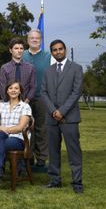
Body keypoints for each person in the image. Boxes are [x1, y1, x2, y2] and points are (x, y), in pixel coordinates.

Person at [41, 39, 83, 194]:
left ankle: (77, 183)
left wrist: (62, 111)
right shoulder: (48, 71)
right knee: (53, 151)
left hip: (69, 118)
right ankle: (54, 180)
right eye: (54, 50)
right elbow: (43, 93)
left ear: (64, 50)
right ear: (52, 52)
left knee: (74, 152)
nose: (58, 52)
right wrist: (53, 111)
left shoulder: (76, 68)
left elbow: (76, 92)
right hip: (51, 118)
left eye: (60, 49)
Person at [0, 80, 32, 193]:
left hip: (19, 139)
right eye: (10, 88)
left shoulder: (25, 106)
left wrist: (4, 130)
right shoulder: (2, 106)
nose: (13, 90)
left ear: (20, 91)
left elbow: (20, 127)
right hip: (3, 137)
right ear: (7, 91)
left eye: (16, 88)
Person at [22, 29, 51, 168]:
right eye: (32, 38)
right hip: (24, 99)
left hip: (42, 97)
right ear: (28, 40)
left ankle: (41, 159)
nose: (34, 40)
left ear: (41, 40)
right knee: (27, 128)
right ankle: (28, 156)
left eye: (37, 38)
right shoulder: (22, 55)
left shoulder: (48, 56)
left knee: (41, 128)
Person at [0, 37, 36, 103]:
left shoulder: (31, 68)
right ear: (10, 50)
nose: (19, 51)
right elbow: (2, 88)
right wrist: (10, 103)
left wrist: (26, 102)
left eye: (21, 48)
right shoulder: (4, 68)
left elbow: (33, 87)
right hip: (9, 105)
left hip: (26, 104)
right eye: (16, 48)